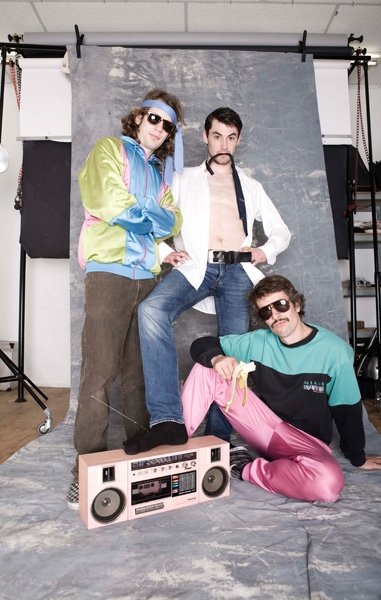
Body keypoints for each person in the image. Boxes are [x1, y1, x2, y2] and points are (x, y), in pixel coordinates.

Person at [123, 107, 291, 455]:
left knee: (231, 349)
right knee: (152, 310)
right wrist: (167, 250)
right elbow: (155, 216)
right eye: (217, 136)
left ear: (238, 139)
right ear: (205, 136)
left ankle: (220, 440)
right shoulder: (185, 179)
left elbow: (281, 231)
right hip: (199, 264)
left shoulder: (251, 185)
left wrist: (264, 251)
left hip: (237, 270)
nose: (223, 143)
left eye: (231, 137)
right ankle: (168, 419)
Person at [66, 89, 185, 510]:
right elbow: (108, 202)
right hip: (110, 274)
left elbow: (174, 219)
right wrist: (150, 218)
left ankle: (137, 456)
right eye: (154, 118)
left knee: (138, 375)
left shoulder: (160, 173)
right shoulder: (109, 149)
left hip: (149, 280)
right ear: (138, 119)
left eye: (168, 124)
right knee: (100, 369)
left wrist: (151, 220)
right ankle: (87, 467)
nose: (159, 128)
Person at [181, 274, 381, 503]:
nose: (275, 316)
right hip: (267, 428)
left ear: (296, 305)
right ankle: (177, 444)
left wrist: (357, 457)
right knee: (208, 366)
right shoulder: (258, 341)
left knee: (327, 486)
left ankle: (246, 467)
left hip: (308, 443)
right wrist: (217, 358)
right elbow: (202, 344)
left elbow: (347, 409)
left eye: (280, 305)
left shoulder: (334, 351)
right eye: (266, 311)